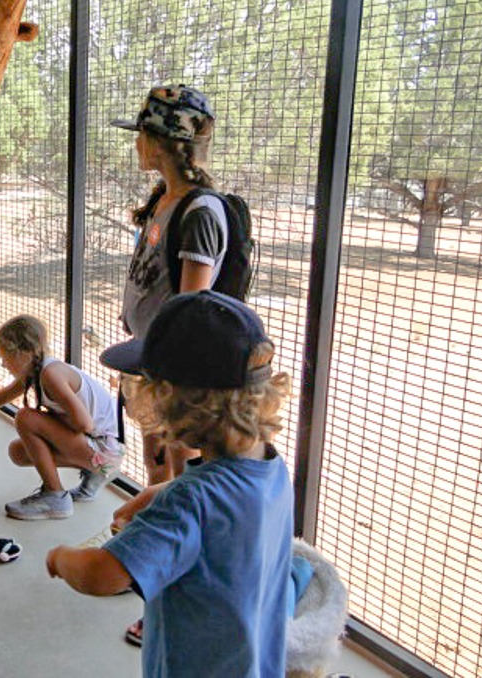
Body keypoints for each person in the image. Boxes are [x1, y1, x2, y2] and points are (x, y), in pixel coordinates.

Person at [46, 290, 293, 678]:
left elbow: (103, 573)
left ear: (177, 401)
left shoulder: (189, 500)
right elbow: (224, 507)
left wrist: (61, 558)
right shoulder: (271, 468)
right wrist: (156, 491)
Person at [112, 84, 227, 644]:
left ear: (160, 142)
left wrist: (167, 370)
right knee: (160, 476)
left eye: (142, 135)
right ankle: (152, 577)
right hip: (151, 363)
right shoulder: (164, 200)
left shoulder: (202, 211)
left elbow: (193, 309)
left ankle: (173, 596)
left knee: (184, 488)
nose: (137, 144)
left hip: (178, 375)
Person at [0, 315, 122, 520]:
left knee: (26, 417)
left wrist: (48, 420)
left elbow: (85, 423)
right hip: (100, 451)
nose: (3, 364)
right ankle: (91, 476)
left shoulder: (50, 373)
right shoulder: (36, 370)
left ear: (23, 353)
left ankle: (55, 497)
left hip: (105, 452)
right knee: (18, 452)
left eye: (5, 357)